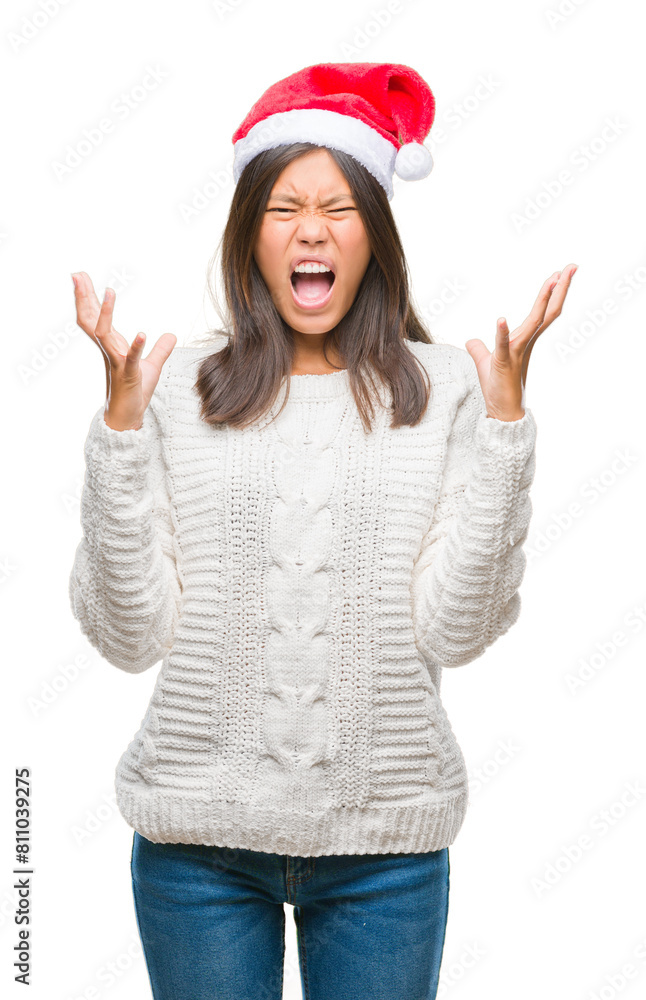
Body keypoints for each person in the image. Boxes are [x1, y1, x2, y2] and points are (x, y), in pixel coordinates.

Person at [68, 62, 577, 1000]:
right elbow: (126, 636)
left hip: (386, 852)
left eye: (340, 207)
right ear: (249, 235)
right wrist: (122, 436)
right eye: (285, 208)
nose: (312, 230)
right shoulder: (175, 386)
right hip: (197, 850)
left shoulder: (448, 389)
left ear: (375, 236)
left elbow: (455, 634)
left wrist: (506, 429)